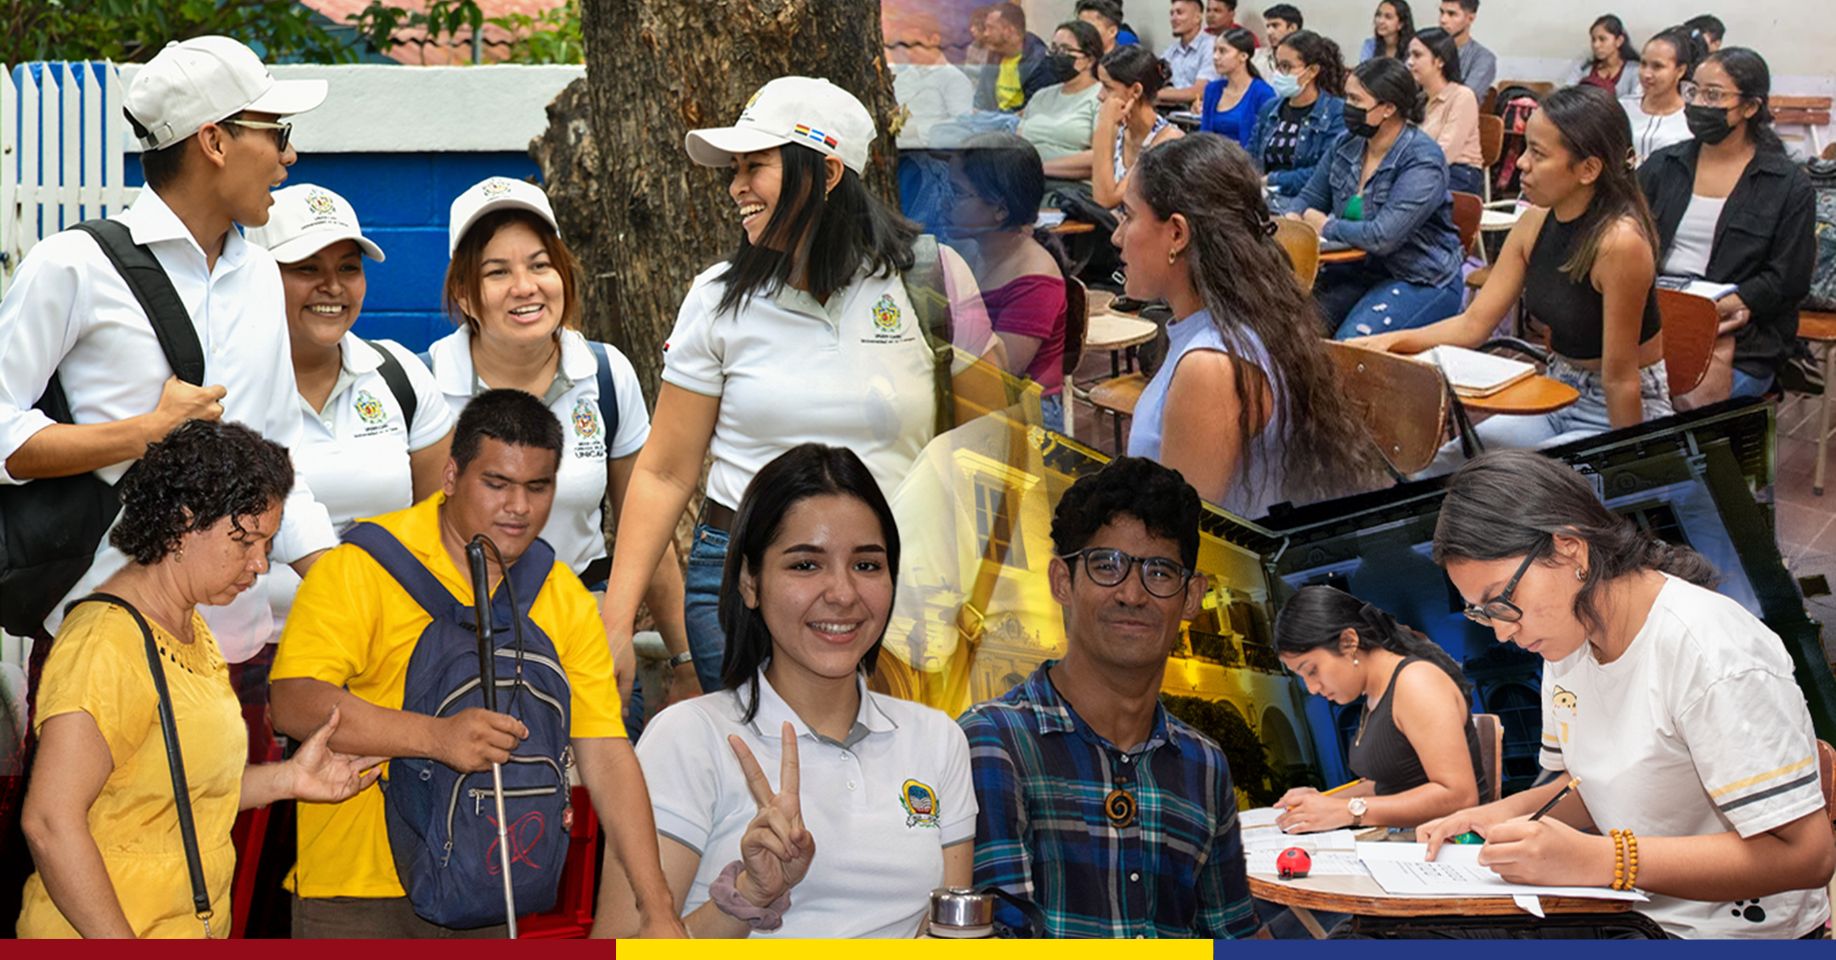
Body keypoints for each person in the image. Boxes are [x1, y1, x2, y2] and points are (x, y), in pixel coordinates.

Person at [604, 76, 992, 698]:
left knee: (881, 785)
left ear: (828, 172)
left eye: (754, 166)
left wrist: (975, 599)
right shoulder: (716, 299)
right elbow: (665, 472)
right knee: (767, 784)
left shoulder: (933, 280)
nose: (736, 188)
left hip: (896, 587)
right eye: (733, 170)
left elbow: (987, 455)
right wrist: (617, 620)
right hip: (743, 590)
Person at [267, 390, 686, 938]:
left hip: (492, 883)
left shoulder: (561, 595)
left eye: (538, 487)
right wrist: (436, 738)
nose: (518, 507)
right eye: (497, 484)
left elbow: (606, 753)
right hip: (357, 890)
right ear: (450, 476)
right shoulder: (358, 568)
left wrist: (657, 908)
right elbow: (293, 702)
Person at [0, 36, 337, 661]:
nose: (289, 154)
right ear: (214, 142)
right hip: (103, 640)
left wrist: (343, 585)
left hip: (235, 643)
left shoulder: (262, 275)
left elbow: (283, 460)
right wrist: (145, 432)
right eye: (276, 131)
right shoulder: (74, 264)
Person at [1419, 449, 1835, 940]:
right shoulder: (1565, 647)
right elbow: (1589, 785)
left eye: (1501, 603)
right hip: (1632, 911)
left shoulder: (1710, 649)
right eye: (1482, 614)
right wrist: (1493, 815)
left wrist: (1603, 858)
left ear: (1570, 549)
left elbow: (1807, 856)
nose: (1502, 634)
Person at [17, 420, 380, 938]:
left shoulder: (190, 630)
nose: (259, 565)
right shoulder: (105, 642)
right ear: (183, 524)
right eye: (245, 541)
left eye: (268, 544)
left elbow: (176, 789)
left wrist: (289, 779)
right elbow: (50, 822)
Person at [612, 443, 974, 938]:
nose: (843, 593)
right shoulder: (688, 738)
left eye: (867, 565)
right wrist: (746, 897)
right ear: (749, 581)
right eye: (806, 565)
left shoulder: (937, 740)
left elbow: (948, 935)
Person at [958, 457, 1262, 939]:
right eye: (1106, 566)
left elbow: (1230, 932)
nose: (1132, 594)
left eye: (1159, 572)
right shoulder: (992, 742)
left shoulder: (1204, 765)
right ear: (1063, 582)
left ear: (1190, 597)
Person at [423, 177, 689, 710]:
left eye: (540, 265)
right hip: (462, 653)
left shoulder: (606, 374)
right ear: (462, 294)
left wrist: (682, 659)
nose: (525, 286)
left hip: (586, 643)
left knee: (598, 794)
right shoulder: (426, 385)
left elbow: (646, 524)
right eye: (497, 272)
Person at [1363, 85, 1672, 453]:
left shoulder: (1619, 243)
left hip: (1617, 410)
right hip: (1559, 389)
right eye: (1526, 148)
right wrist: (1388, 342)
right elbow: (1473, 324)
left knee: (1509, 490)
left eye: (1538, 154)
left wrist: (1629, 466)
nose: (1521, 163)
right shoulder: (1535, 221)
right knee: (1441, 471)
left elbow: (1621, 381)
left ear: (1588, 169)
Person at [1112, 134, 1384, 515]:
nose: (1116, 236)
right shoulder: (1246, 319)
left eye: (1128, 215)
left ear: (1177, 233)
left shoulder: (1211, 367)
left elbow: (1183, 545)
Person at [245, 184, 456, 649]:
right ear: (256, 275)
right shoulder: (226, 389)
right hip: (252, 659)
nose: (334, 287)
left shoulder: (401, 376)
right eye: (307, 269)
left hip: (386, 650)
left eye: (348, 268)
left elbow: (443, 531)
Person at [1640, 48, 1816, 402]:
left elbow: (1787, 278)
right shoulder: (1664, 166)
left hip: (1741, 333)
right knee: (1612, 389)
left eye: (1714, 95)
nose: (1698, 103)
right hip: (1654, 315)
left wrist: (1727, 305)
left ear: (1750, 107)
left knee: (1670, 403)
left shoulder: (1785, 184)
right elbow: (1623, 231)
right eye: (1694, 91)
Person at [1271, 585, 1488, 834]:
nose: (1311, 688)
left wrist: (1346, 811)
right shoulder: (1374, 695)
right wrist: (1321, 802)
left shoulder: (1416, 682)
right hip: (1411, 844)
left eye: (1311, 670)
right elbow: (1387, 786)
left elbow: (1458, 795)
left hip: (1452, 850)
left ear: (1349, 642)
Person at [1287, 58, 1465, 340]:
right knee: (1288, 329)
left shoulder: (1422, 160)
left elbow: (1383, 237)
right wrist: (1294, 221)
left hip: (1418, 277)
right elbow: (1309, 197)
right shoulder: (1347, 143)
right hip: (1355, 269)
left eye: (1356, 99)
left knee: (1352, 344)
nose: (1347, 106)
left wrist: (1325, 226)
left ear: (1388, 108)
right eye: (1347, 96)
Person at [947, 135, 1073, 432]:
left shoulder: (1035, 280)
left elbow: (998, 377)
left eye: (957, 193)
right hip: (979, 400)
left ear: (1000, 209)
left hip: (1026, 420)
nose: (944, 201)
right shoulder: (970, 253)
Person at [1248, 30, 1347, 198]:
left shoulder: (1336, 112)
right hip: (1263, 197)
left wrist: (1272, 180)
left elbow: (1325, 171)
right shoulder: (1270, 109)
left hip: (1308, 202)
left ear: (1312, 71)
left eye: (1286, 66)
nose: (1278, 73)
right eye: (1277, 64)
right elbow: (1250, 155)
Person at [1091, 46, 1186, 209]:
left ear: (1136, 90)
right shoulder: (1119, 128)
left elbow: (1105, 200)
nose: (1100, 96)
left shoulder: (1169, 139)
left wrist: (1104, 125)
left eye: (1107, 87)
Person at [1019, 20, 1105, 185]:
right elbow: (1019, 143)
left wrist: (1041, 168)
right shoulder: (1041, 95)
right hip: (1025, 180)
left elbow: (1100, 158)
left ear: (1090, 60)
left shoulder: (1101, 97)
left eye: (1065, 50)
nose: (1057, 56)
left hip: (1070, 187)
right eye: (1054, 49)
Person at [1409, 27, 1485, 196]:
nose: (1410, 62)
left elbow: (1444, 153)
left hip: (1458, 174)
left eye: (1417, 55)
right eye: (1410, 55)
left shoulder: (1462, 96)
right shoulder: (1419, 99)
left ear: (1440, 61)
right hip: (1422, 170)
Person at [888, 11, 977, 150]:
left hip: (931, 157)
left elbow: (961, 126)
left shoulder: (954, 80)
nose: (909, 53)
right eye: (906, 46)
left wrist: (918, 130)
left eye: (915, 45)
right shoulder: (904, 76)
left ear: (934, 40)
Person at [1624, 26, 1702, 165]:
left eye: (1657, 66)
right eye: (1643, 64)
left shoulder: (1692, 118)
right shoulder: (1622, 108)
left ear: (1680, 70)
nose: (1646, 74)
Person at [1200, 27, 1278, 148]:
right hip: (1212, 160)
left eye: (1222, 51)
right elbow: (1204, 135)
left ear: (1243, 56)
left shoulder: (1263, 93)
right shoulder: (1212, 90)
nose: (1215, 57)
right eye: (1214, 51)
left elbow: (1264, 141)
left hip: (1244, 162)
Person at [975, 3, 1054, 113]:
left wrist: (989, 119)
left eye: (991, 28)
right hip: (989, 122)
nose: (985, 34)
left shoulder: (1039, 62)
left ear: (1009, 31)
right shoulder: (994, 55)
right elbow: (981, 99)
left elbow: (1031, 112)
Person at [1160, 0, 1220, 107]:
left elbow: (1200, 91)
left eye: (1179, 13)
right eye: (1172, 13)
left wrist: (1156, 94)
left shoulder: (1212, 46)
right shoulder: (1170, 52)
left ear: (1197, 18)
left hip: (1199, 117)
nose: (1173, 19)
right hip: (1170, 113)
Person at [1436, 0, 1495, 100]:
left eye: (1452, 14)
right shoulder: (1427, 48)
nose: (1443, 20)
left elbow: (1464, 101)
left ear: (1470, 18)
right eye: (1442, 12)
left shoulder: (1483, 59)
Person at [1572, 15, 1641, 98]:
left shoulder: (1634, 70)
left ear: (1619, 41)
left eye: (1602, 39)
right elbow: (1567, 95)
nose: (1596, 45)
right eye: (1593, 40)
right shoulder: (1583, 69)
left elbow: (1636, 101)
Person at [1253, 3, 1303, 77]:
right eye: (1268, 26)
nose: (1269, 32)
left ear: (1292, 28)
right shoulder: (1255, 56)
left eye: (1275, 25)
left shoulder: (1306, 59)